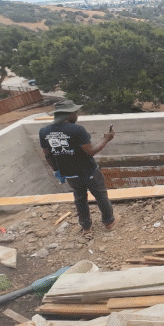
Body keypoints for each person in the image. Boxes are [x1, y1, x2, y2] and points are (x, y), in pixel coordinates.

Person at [39, 99, 117, 233]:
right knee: (100, 195)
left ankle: (86, 226)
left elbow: (47, 155)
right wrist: (106, 139)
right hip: (88, 171)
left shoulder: (44, 131)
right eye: (75, 112)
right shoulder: (77, 130)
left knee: (80, 198)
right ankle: (109, 222)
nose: (77, 115)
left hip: (69, 174)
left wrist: (57, 170)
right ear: (68, 114)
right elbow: (91, 152)